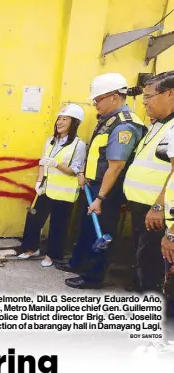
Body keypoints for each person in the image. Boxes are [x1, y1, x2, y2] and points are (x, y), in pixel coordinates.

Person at [57, 72, 145, 289]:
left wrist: (100, 198)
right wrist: (84, 175)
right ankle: (78, 263)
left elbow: (116, 167)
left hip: (108, 189)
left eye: (98, 99)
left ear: (114, 97)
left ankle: (93, 276)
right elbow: (99, 154)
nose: (95, 103)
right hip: (94, 183)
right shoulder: (109, 120)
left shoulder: (124, 125)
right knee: (86, 227)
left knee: (101, 232)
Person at [17, 104, 87, 267]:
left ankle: (51, 255)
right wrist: (39, 181)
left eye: (65, 119)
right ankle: (30, 248)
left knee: (58, 225)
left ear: (74, 123)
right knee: (34, 218)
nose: (60, 122)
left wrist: (56, 165)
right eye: (59, 119)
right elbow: (42, 162)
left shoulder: (78, 145)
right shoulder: (50, 140)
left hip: (64, 192)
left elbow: (75, 170)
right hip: (46, 189)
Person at [123, 71, 174, 293]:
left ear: (170, 93)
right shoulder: (159, 124)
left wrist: (158, 206)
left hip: (156, 211)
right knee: (142, 259)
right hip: (142, 206)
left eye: (149, 96)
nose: (144, 102)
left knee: (151, 263)